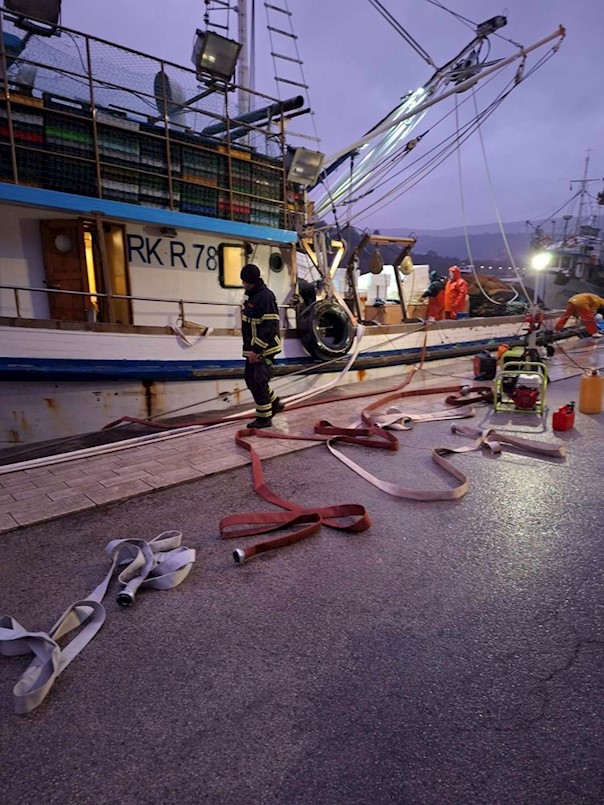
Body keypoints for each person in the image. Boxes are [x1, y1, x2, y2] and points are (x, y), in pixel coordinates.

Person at [240, 263, 284, 428]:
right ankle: (275, 403)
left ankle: (264, 418)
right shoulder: (253, 295)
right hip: (253, 349)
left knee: (258, 382)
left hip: (263, 349)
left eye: (245, 281)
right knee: (251, 380)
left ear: (250, 281)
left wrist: (257, 350)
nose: (243, 284)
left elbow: (270, 326)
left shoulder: (265, 297)